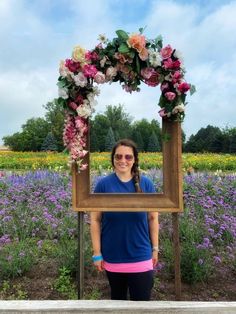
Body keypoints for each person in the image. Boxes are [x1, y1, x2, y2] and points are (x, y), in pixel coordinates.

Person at [90, 139, 159, 301]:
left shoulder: (146, 184)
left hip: (141, 255)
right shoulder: (103, 185)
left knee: (142, 307)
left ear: (134, 160)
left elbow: (153, 218)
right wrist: (97, 253)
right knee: (117, 304)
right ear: (113, 159)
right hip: (112, 256)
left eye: (128, 157)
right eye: (118, 156)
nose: (123, 161)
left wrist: (155, 248)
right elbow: (95, 220)